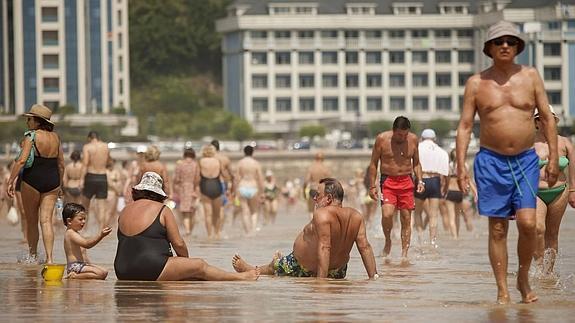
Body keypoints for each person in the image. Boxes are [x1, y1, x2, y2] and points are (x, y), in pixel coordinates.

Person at [456, 20, 559, 304]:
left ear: (518, 47)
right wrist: (460, 166)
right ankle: (502, 289)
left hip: (526, 160)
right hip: (490, 161)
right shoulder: (477, 83)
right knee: (498, 227)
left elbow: (547, 118)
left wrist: (552, 158)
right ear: (489, 47)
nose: (505, 46)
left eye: (511, 42)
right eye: (499, 42)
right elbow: (465, 126)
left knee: (528, 224)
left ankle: (522, 277)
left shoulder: (531, 76)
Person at [114, 172, 259, 281]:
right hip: (150, 268)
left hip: (122, 270)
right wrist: (185, 264)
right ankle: (240, 278)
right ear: (158, 193)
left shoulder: (125, 210)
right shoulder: (162, 210)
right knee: (199, 266)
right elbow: (179, 243)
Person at [232, 178, 378, 279]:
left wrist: (322, 283)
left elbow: (324, 248)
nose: (314, 198)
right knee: (280, 263)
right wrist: (374, 277)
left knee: (274, 267)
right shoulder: (356, 216)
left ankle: (251, 269)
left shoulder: (322, 214)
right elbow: (365, 248)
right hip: (338, 272)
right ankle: (274, 261)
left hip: (305, 268)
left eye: (317, 195)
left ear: (328, 198)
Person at [7, 104, 64, 264]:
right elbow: (61, 164)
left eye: (29, 119)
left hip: (32, 179)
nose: (27, 122)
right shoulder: (56, 138)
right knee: (46, 221)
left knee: (32, 221)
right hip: (52, 180)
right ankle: (50, 259)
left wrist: (11, 181)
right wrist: (59, 185)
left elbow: (22, 160)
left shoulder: (31, 136)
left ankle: (32, 256)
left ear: (37, 121)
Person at [368, 116, 424, 263]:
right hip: (388, 181)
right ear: (394, 131)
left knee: (406, 218)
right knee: (387, 214)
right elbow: (373, 163)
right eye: (400, 134)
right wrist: (372, 185)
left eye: (405, 134)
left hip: (406, 181)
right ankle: (388, 240)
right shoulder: (382, 139)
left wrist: (420, 180)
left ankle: (404, 254)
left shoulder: (413, 140)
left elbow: (417, 163)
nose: (403, 137)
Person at [533, 106, 575, 275]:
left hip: (560, 191)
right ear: (536, 122)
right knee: (538, 228)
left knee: (552, 233)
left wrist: (573, 190)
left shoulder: (564, 142)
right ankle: (537, 269)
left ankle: (547, 273)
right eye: (541, 118)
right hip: (536, 192)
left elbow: (573, 166)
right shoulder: (529, 143)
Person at [413, 129, 449, 246]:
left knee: (417, 212)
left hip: (421, 180)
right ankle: (433, 241)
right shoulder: (442, 151)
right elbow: (446, 173)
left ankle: (420, 238)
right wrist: (445, 188)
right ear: (434, 139)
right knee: (433, 215)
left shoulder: (417, 148)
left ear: (422, 138)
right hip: (435, 181)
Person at [62, 203, 111, 279]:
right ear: (69, 221)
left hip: (82, 265)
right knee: (101, 274)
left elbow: (83, 254)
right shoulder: (70, 233)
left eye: (84, 219)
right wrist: (101, 236)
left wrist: (90, 265)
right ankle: (74, 276)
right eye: (80, 219)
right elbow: (87, 244)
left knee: (105, 271)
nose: (84, 221)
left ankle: (78, 275)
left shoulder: (75, 233)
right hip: (74, 266)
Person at [80, 131, 110, 230]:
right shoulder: (105, 146)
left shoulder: (87, 147)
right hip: (102, 176)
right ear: (98, 137)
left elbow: (85, 163)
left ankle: (84, 229)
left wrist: (81, 180)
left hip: (91, 176)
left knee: (85, 206)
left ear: (89, 138)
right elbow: (108, 161)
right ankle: (101, 230)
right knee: (102, 207)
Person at [235, 145, 264, 235]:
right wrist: (262, 192)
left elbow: (237, 178)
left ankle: (247, 232)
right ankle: (253, 230)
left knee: (244, 211)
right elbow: (260, 178)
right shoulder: (256, 163)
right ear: (252, 152)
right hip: (253, 187)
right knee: (254, 211)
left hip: (242, 186)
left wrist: (235, 191)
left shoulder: (240, 163)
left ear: (244, 152)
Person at [198, 144, 224, 239]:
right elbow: (223, 174)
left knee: (208, 214)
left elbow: (198, 176)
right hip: (216, 185)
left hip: (205, 186)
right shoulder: (217, 161)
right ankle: (217, 234)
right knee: (217, 214)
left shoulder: (201, 161)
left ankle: (209, 235)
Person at [173, 147, 200, 236]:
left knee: (185, 213)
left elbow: (176, 179)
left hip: (183, 189)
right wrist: (195, 189)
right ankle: (190, 231)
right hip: (193, 188)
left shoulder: (180, 164)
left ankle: (188, 231)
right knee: (192, 212)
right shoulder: (195, 165)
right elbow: (197, 179)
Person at [211, 139, 234, 232]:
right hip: (222, 183)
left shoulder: (207, 159)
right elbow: (231, 174)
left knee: (211, 209)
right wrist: (231, 187)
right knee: (221, 208)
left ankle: (213, 230)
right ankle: (219, 230)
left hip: (209, 184)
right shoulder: (225, 158)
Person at [303, 152, 331, 219]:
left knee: (311, 210)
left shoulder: (311, 168)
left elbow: (306, 181)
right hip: (323, 190)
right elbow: (330, 181)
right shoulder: (325, 169)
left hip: (313, 189)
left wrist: (304, 190)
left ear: (315, 158)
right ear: (323, 159)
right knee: (322, 210)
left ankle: (313, 226)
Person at [106, 157, 123, 226]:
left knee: (114, 211)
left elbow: (119, 181)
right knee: (108, 211)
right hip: (110, 193)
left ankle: (111, 226)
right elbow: (109, 183)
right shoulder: (106, 171)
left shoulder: (115, 171)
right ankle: (105, 226)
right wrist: (117, 190)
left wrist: (118, 191)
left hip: (115, 193)